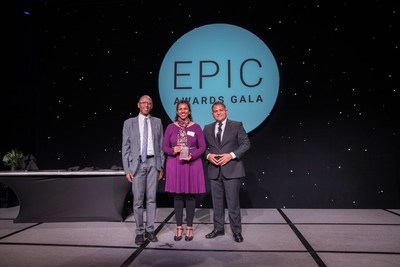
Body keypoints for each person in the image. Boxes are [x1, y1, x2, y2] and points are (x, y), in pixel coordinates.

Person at [203, 101, 251, 243]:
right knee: (216, 203)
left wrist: (231, 155)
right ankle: (218, 229)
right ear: (212, 113)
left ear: (226, 111)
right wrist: (208, 156)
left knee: (233, 203)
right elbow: (202, 148)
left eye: (221, 110)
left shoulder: (236, 125)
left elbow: (246, 144)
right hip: (214, 170)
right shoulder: (207, 128)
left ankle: (236, 231)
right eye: (215, 111)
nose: (218, 113)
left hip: (232, 170)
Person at [122, 95, 165, 246]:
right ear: (138, 105)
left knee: (151, 199)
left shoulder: (157, 122)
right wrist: (127, 169)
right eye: (144, 103)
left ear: (151, 106)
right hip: (137, 164)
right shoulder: (129, 123)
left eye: (149, 103)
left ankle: (150, 230)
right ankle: (139, 232)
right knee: (138, 201)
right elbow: (125, 148)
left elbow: (161, 146)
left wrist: (161, 166)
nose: (146, 105)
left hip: (154, 163)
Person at [162, 99, 206, 241]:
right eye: (180, 109)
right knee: (178, 196)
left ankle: (189, 228)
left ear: (189, 111)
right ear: (177, 111)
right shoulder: (170, 127)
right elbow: (164, 147)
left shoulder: (196, 127)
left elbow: (202, 147)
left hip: (192, 164)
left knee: (190, 196)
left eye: (185, 109)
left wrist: (192, 156)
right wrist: (173, 150)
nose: (183, 111)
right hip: (175, 164)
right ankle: (179, 227)